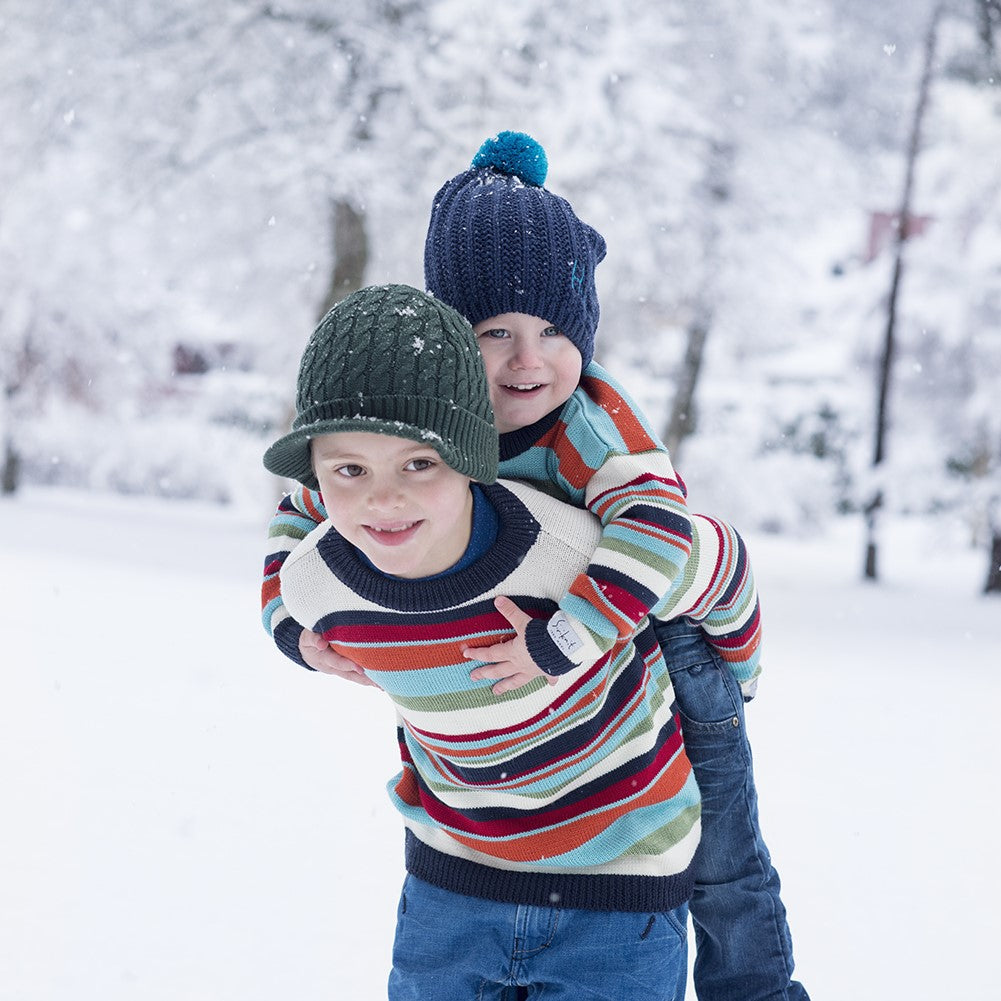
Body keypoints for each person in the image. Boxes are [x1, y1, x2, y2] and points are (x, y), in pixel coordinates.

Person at [264, 133, 809, 1001]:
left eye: (556, 330)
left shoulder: (590, 429)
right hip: (535, 693)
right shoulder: (419, 421)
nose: (530, 359)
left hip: (671, 649)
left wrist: (565, 640)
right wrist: (295, 624)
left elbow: (661, 535)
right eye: (496, 332)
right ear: (449, 340)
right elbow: (302, 512)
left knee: (719, 870)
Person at [264, 283, 705, 1000]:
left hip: (616, 881)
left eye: (419, 465)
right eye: (350, 470)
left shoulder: (564, 551)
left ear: (471, 456)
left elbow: (672, 548)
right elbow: (287, 572)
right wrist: (291, 633)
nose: (384, 498)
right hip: (454, 880)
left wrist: (564, 637)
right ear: (316, 473)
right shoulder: (321, 580)